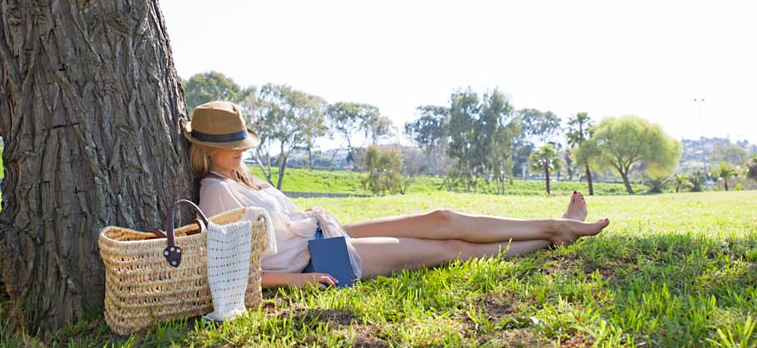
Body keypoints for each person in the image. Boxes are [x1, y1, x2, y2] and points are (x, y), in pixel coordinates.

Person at [184, 101, 610, 288]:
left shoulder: (241, 179)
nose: (242, 152)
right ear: (208, 149)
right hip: (318, 258)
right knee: (449, 248)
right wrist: (299, 281)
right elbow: (228, 271)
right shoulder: (217, 193)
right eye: (234, 147)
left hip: (325, 234)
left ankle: (555, 226)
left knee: (441, 217)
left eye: (243, 145)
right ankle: (551, 236)